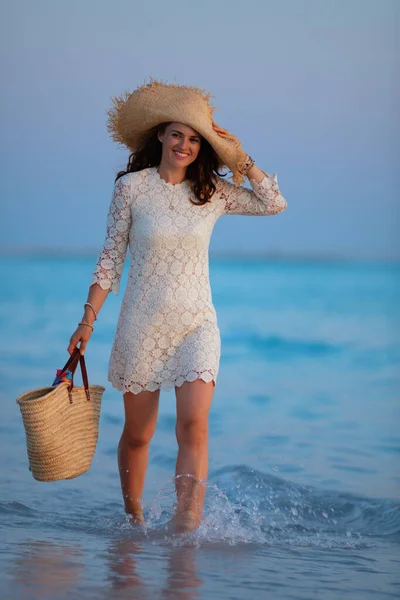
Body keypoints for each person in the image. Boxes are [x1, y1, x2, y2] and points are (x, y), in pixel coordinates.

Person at [68, 79, 287, 533]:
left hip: (196, 325)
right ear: (160, 137)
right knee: (138, 435)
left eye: (194, 138)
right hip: (141, 326)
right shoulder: (131, 189)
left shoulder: (212, 193)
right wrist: (87, 320)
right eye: (177, 134)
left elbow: (275, 203)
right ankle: (135, 520)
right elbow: (111, 259)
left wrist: (239, 156)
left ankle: (188, 522)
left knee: (193, 424)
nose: (184, 145)